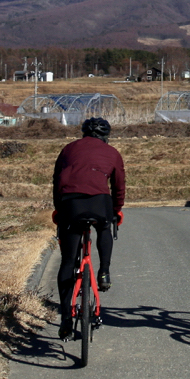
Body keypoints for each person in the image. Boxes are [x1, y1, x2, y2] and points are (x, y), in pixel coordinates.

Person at [53, 116, 125, 339]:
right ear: (106, 136)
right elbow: (119, 185)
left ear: (83, 133)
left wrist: (59, 209)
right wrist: (116, 210)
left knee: (67, 260)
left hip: (70, 204)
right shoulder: (112, 152)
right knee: (104, 227)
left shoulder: (68, 149)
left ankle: (66, 317)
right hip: (99, 201)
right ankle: (104, 272)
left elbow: (56, 181)